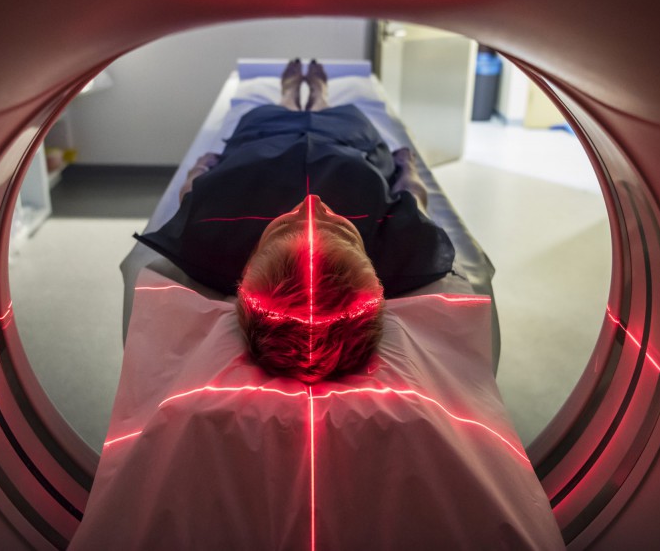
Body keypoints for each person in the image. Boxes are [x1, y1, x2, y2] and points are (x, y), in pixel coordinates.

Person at [136, 59, 456, 382]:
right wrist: (409, 167)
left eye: (285, 226)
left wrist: (199, 169)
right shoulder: (400, 249)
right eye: (340, 229)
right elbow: (414, 198)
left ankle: (289, 95)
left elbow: (189, 196)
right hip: (345, 144)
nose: (312, 203)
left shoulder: (209, 239)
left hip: (260, 144)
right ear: (371, 268)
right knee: (341, 116)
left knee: (267, 118)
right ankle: (321, 97)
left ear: (248, 268)